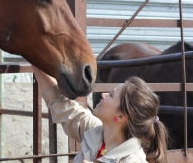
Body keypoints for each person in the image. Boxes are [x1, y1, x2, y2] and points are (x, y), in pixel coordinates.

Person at [32, 66, 168, 163]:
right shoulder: (94, 130)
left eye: (111, 95)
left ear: (121, 116)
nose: (103, 95)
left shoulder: (132, 160)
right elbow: (60, 103)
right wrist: (34, 57)